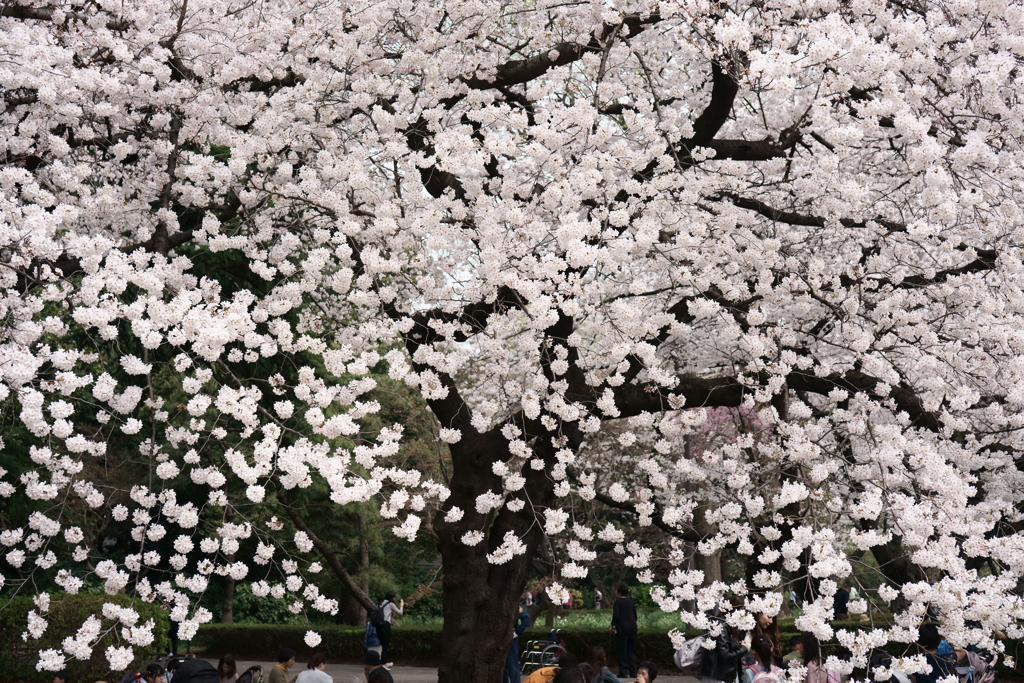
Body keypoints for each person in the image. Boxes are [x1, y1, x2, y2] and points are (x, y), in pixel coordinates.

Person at [699, 605, 748, 683]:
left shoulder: (729, 626)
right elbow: (725, 655)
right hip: (719, 675)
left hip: (724, 675)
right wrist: (743, 648)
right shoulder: (721, 627)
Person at [609, 585, 638, 678]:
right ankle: (633, 671)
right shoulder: (631, 602)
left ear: (619, 592)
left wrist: (612, 625)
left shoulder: (617, 602)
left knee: (622, 650)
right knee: (631, 650)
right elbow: (635, 616)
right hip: (632, 628)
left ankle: (623, 671)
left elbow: (616, 616)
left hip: (622, 628)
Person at [504, 605, 532, 683]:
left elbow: (526, 619)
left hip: (510, 639)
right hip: (497, 638)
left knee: (512, 664)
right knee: (502, 667)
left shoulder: (513, 605)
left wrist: (516, 633)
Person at [376, 591, 404, 663]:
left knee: (381, 645)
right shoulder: (390, 604)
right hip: (385, 625)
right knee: (385, 645)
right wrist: (401, 605)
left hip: (378, 626)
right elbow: (400, 613)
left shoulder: (379, 604)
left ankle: (380, 662)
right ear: (392, 597)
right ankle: (384, 663)